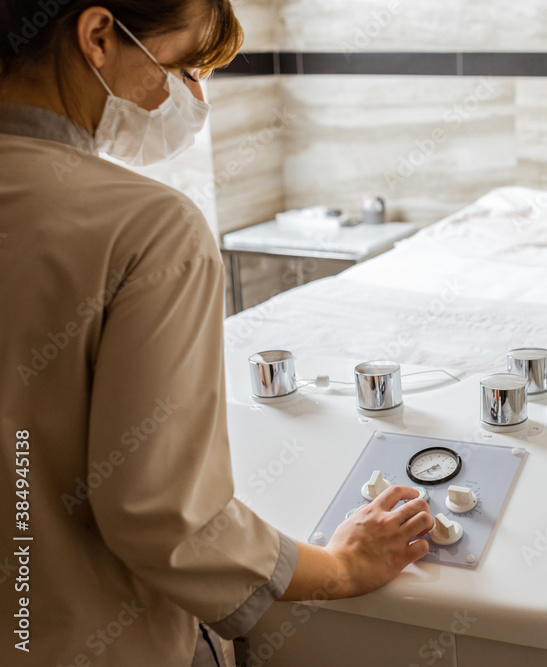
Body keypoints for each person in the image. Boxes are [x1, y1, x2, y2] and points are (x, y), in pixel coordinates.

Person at [0, 2, 432, 665]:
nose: (195, 99)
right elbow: (164, 515)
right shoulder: (148, 228)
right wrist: (339, 566)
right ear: (97, 35)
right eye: (183, 68)